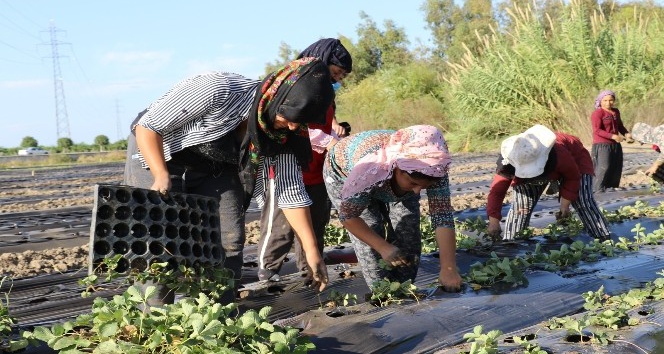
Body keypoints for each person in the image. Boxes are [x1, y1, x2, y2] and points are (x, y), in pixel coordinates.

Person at [129, 57, 333, 303]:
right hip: (161, 153)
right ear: (275, 98)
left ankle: (217, 316)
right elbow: (148, 127)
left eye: (299, 123)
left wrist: (312, 251)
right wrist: (161, 174)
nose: (291, 127)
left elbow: (290, 192)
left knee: (229, 240)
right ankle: (155, 320)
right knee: (162, 241)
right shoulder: (219, 89)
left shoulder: (284, 135)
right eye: (288, 117)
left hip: (217, 165)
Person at [256, 38, 353, 282]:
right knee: (280, 227)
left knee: (316, 223)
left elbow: (326, 120)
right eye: (336, 72)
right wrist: (327, 141)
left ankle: (310, 271)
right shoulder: (293, 87)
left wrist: (337, 128)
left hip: (317, 170)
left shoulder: (327, 94)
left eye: (341, 76)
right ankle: (267, 273)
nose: (337, 79)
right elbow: (296, 127)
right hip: (288, 167)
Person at [323, 125, 462, 292]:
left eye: (424, 187)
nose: (417, 191)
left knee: (408, 229)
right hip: (345, 173)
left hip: (391, 175)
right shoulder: (367, 169)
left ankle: (404, 290)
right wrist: (383, 247)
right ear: (397, 169)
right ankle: (382, 292)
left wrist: (449, 269)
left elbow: (442, 216)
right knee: (372, 226)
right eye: (413, 183)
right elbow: (349, 217)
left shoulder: (435, 166)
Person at [487, 124, 611, 241]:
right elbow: (497, 192)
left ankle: (602, 237)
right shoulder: (509, 161)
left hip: (575, 160)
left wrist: (565, 204)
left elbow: (572, 177)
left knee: (583, 200)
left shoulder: (558, 154)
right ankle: (512, 243)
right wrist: (493, 222)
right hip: (529, 172)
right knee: (521, 207)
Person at [591, 90, 633, 193]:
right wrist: (613, 136)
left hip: (615, 145)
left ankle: (611, 190)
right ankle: (597, 190)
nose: (608, 103)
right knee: (604, 167)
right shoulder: (598, 113)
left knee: (615, 167)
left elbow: (620, 126)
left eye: (611, 100)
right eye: (605, 100)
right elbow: (597, 130)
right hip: (602, 145)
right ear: (600, 101)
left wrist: (626, 134)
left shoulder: (616, 112)